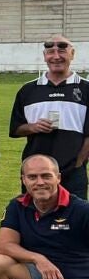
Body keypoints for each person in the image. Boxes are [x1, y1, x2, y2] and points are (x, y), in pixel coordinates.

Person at [10, 35, 89, 198]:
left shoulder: (86, 89)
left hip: (72, 172)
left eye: (62, 50)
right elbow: (16, 128)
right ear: (45, 56)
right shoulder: (28, 90)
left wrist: (78, 162)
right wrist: (32, 127)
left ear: (72, 54)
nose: (56, 56)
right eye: (50, 51)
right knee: (35, 218)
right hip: (36, 172)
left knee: (75, 219)